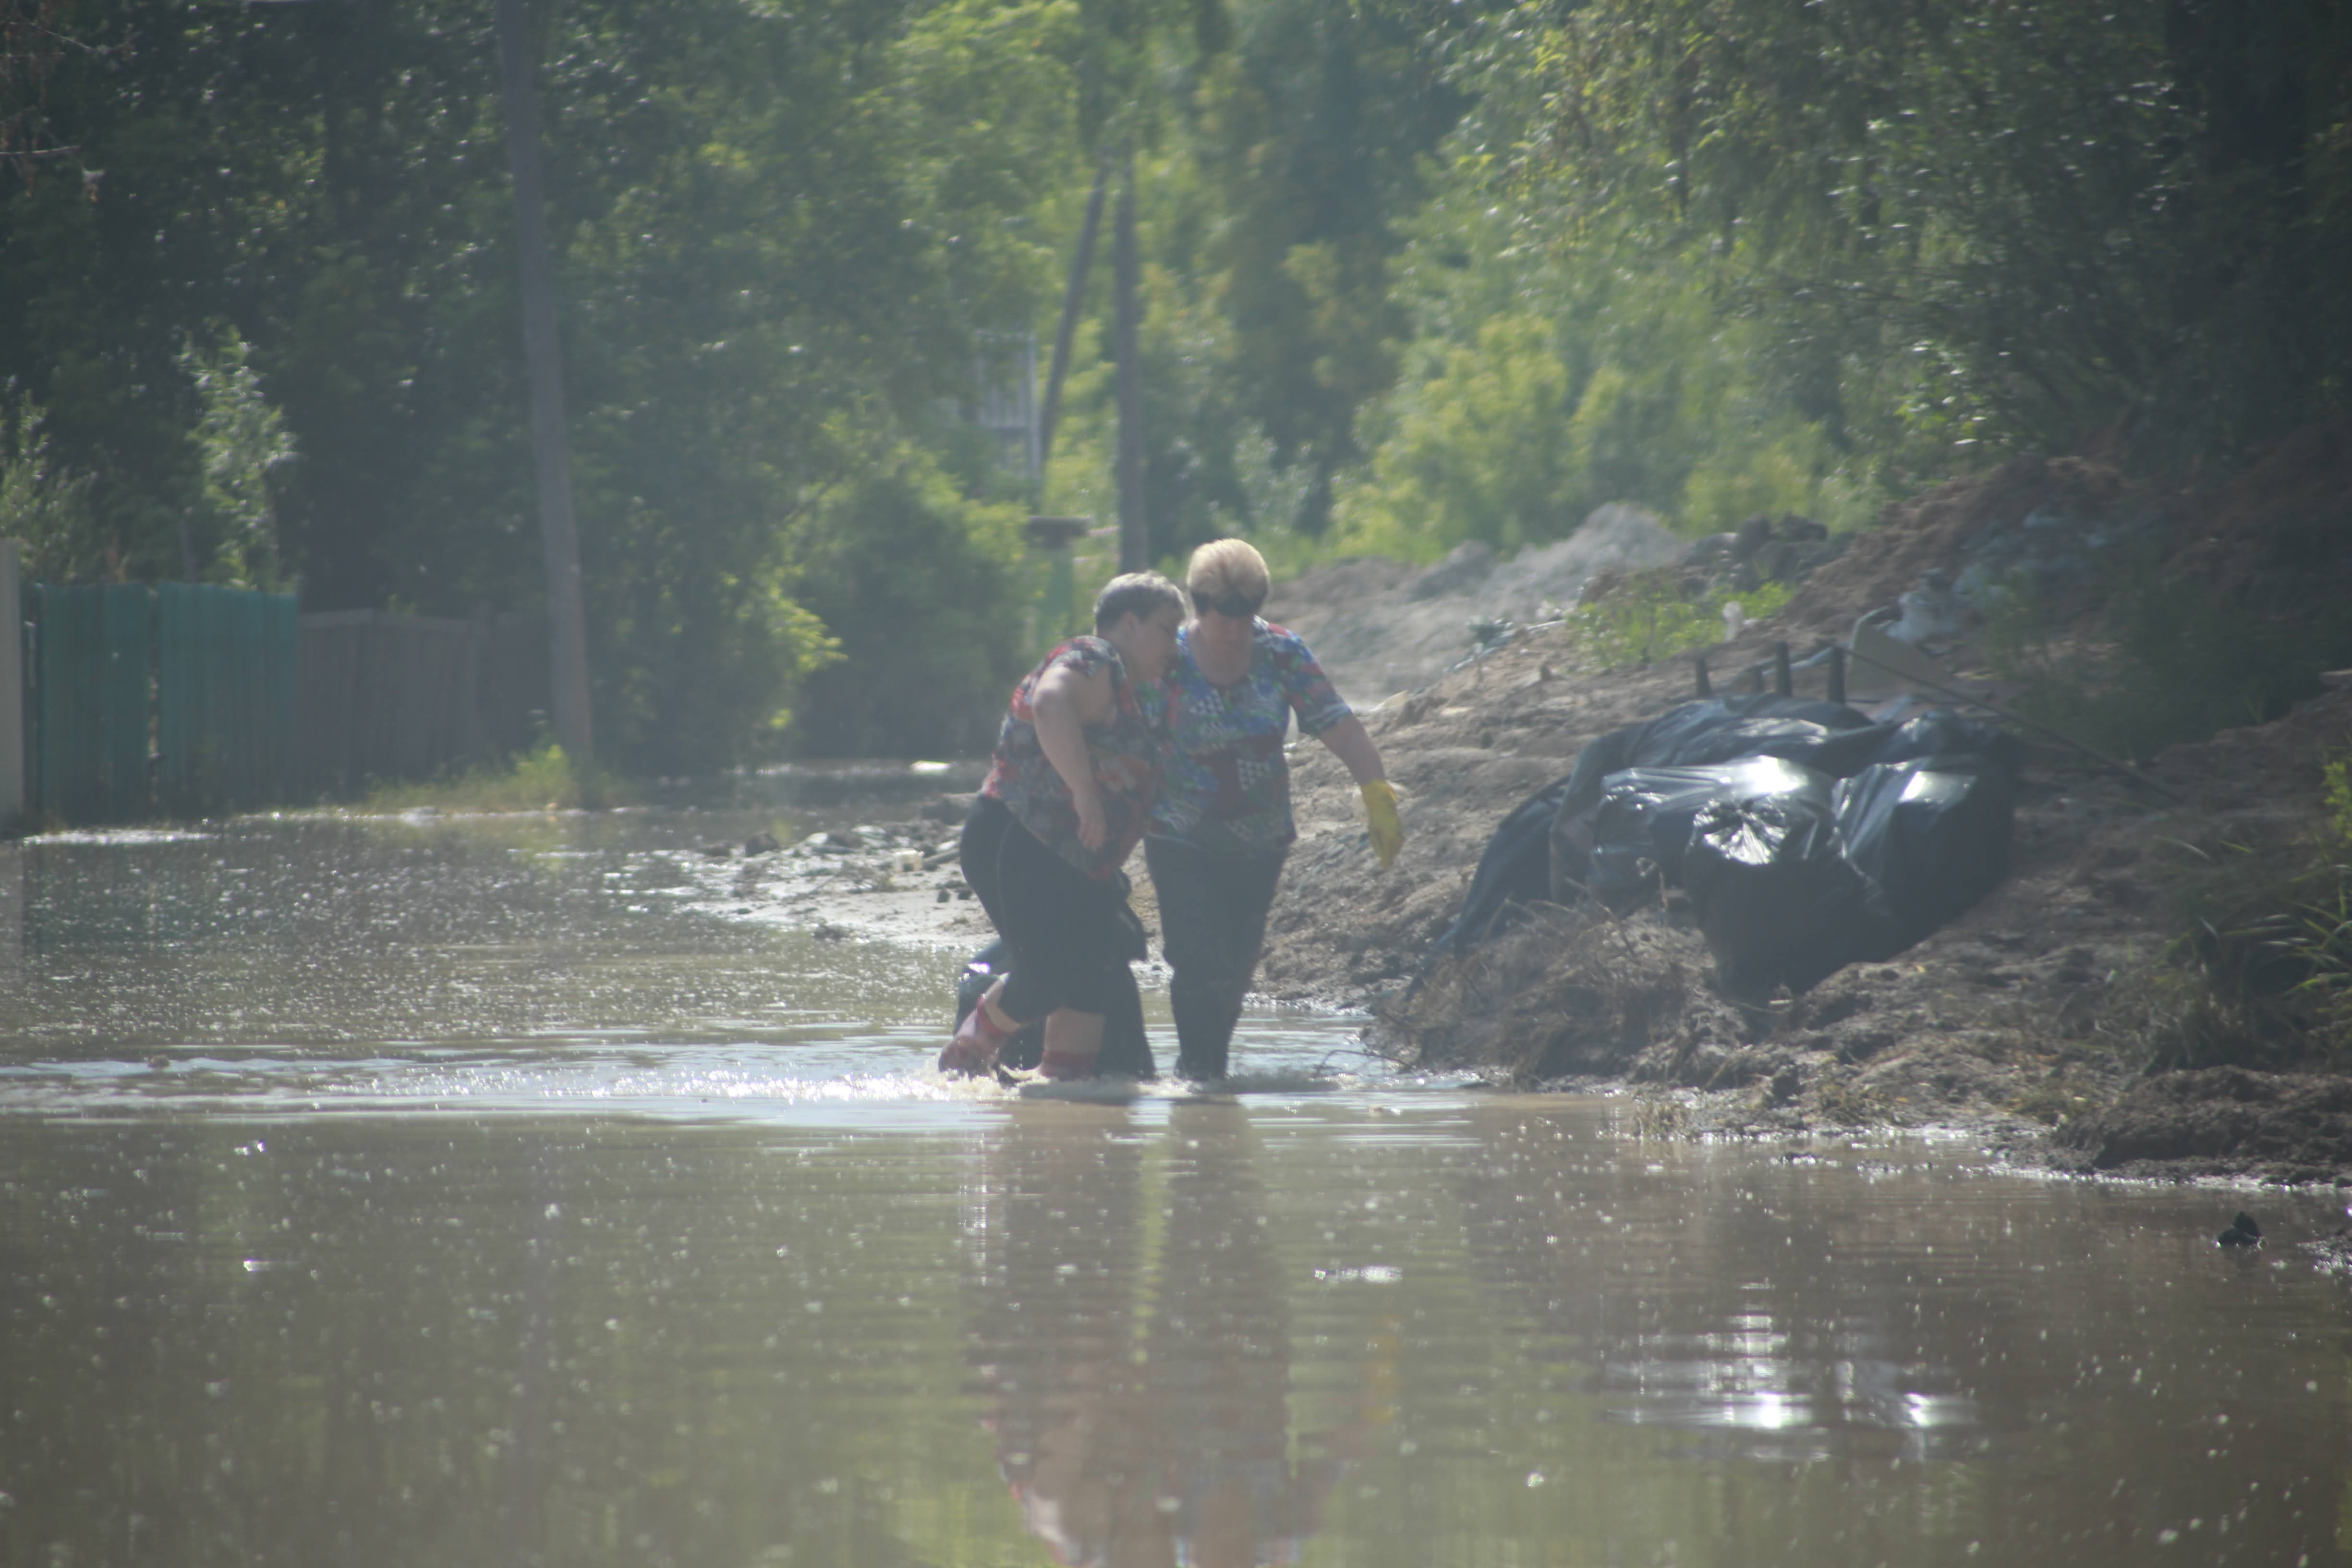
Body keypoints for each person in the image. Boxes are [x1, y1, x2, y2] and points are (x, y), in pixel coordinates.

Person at [1145, 539, 1401, 1081]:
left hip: (1259, 841)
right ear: (1198, 607)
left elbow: (1338, 724)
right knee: (1196, 957)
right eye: (1223, 619)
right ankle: (1198, 1075)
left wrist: (1376, 794)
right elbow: (1122, 731)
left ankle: (1208, 1072)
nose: (1234, 631)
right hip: (1179, 833)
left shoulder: (1282, 652)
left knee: (1236, 968)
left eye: (1245, 618)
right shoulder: (1169, 657)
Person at [941, 571, 1186, 1081]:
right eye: (1167, 629)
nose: (1174, 644)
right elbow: (1050, 703)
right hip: (1021, 839)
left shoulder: (1129, 685)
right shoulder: (1093, 656)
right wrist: (1084, 793)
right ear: (1129, 623)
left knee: (1093, 972)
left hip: (1074, 857)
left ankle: (1061, 1088)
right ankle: (966, 1054)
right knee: (1052, 971)